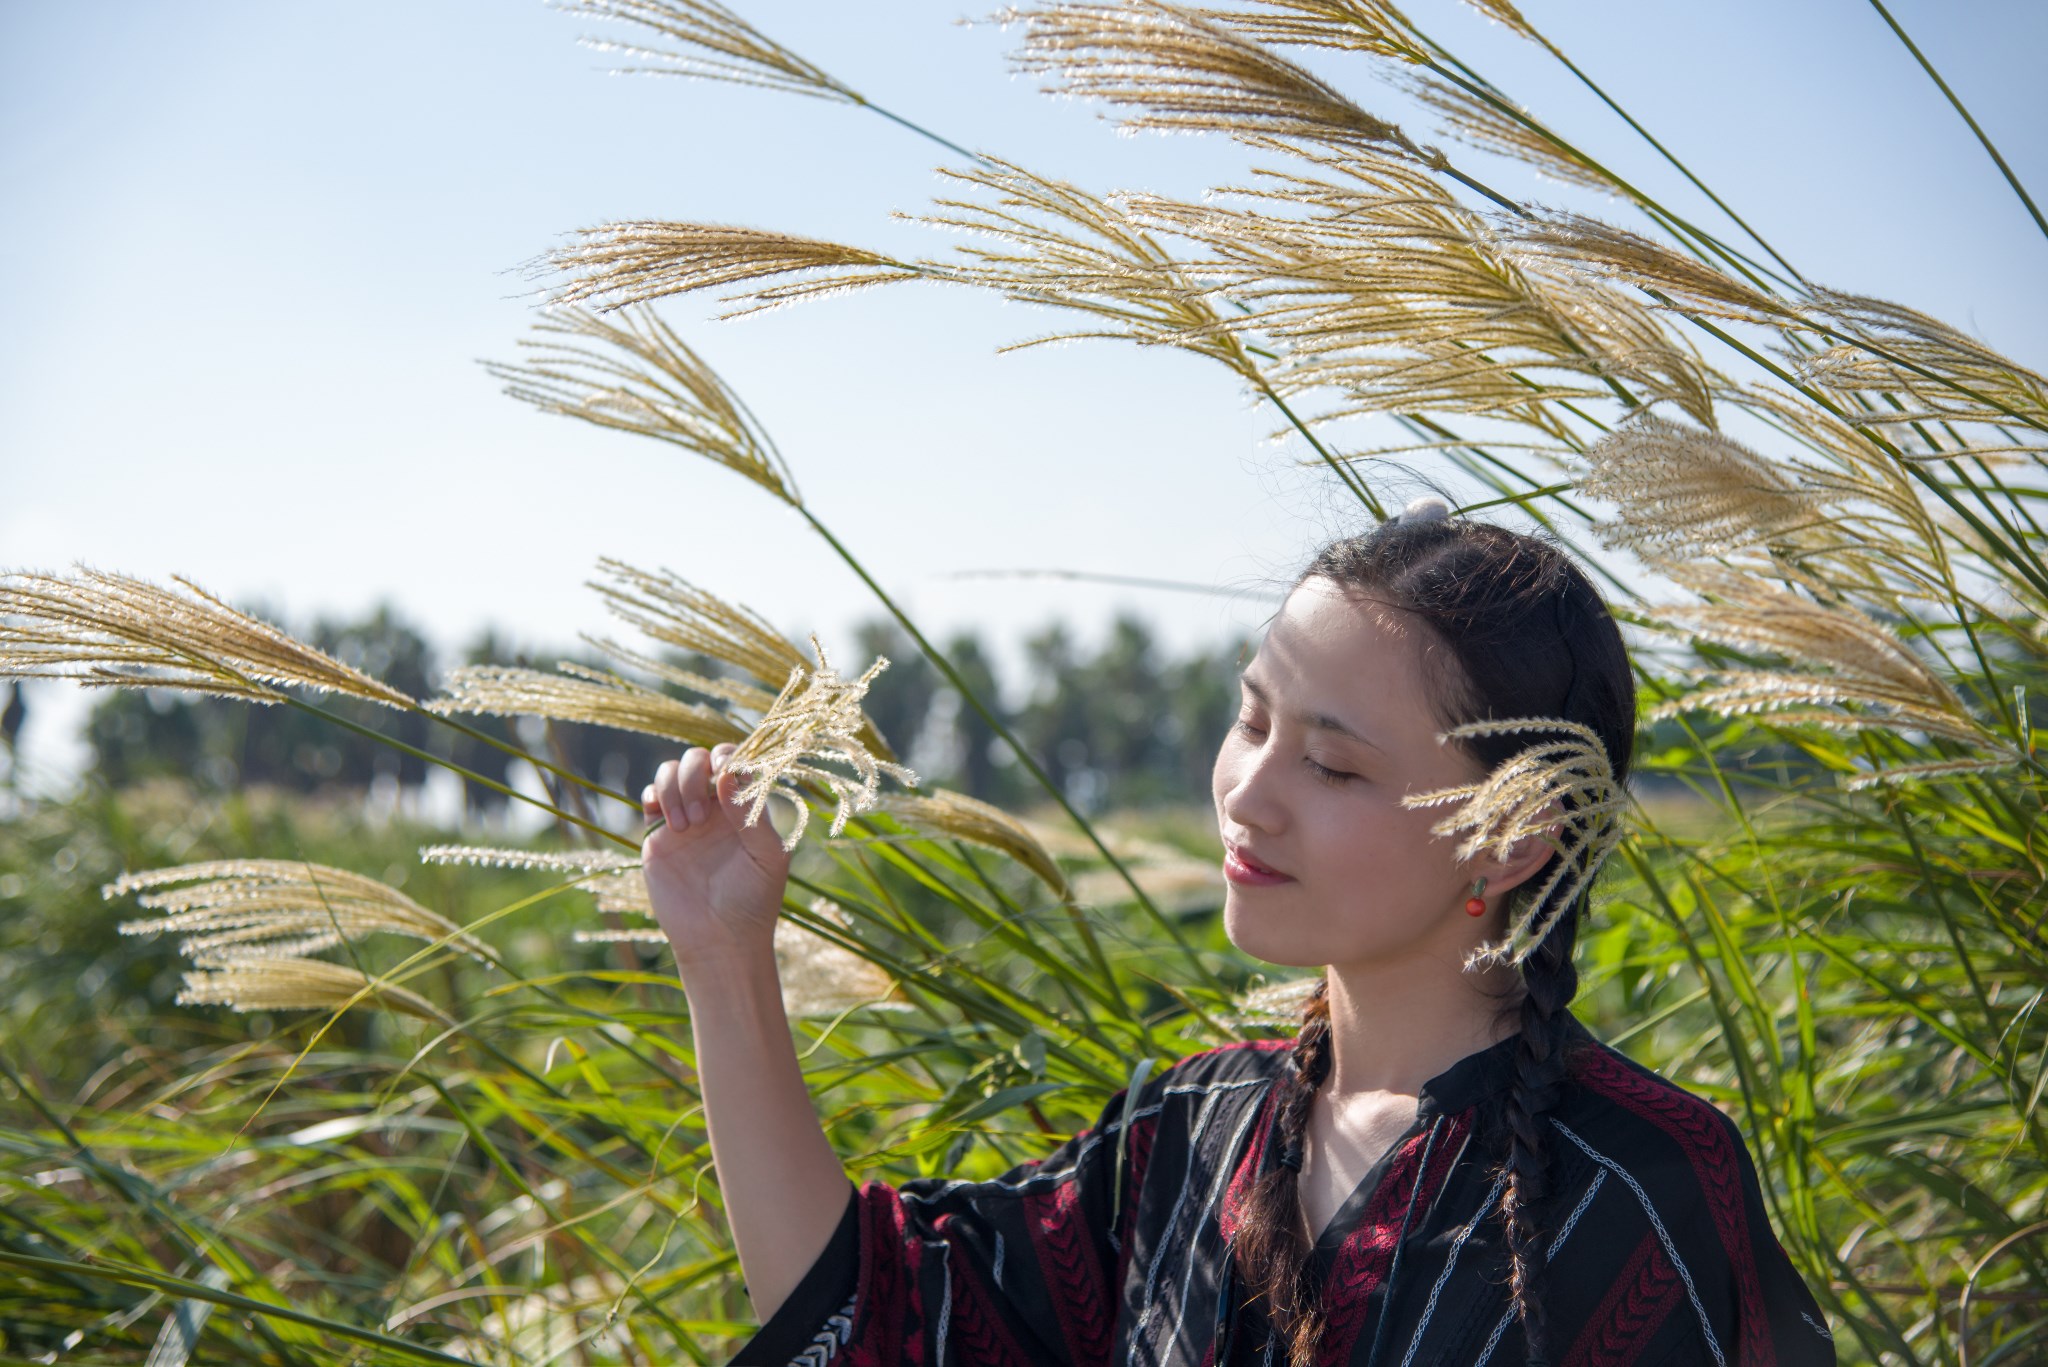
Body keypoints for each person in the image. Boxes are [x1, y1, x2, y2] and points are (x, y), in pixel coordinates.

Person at [639, 496, 1839, 1367]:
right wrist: (722, 951)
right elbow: (865, 1307)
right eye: (1249, 719)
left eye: (1329, 763)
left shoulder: (1640, 1183)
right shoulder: (1183, 1137)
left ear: (1512, 834)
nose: (1248, 793)